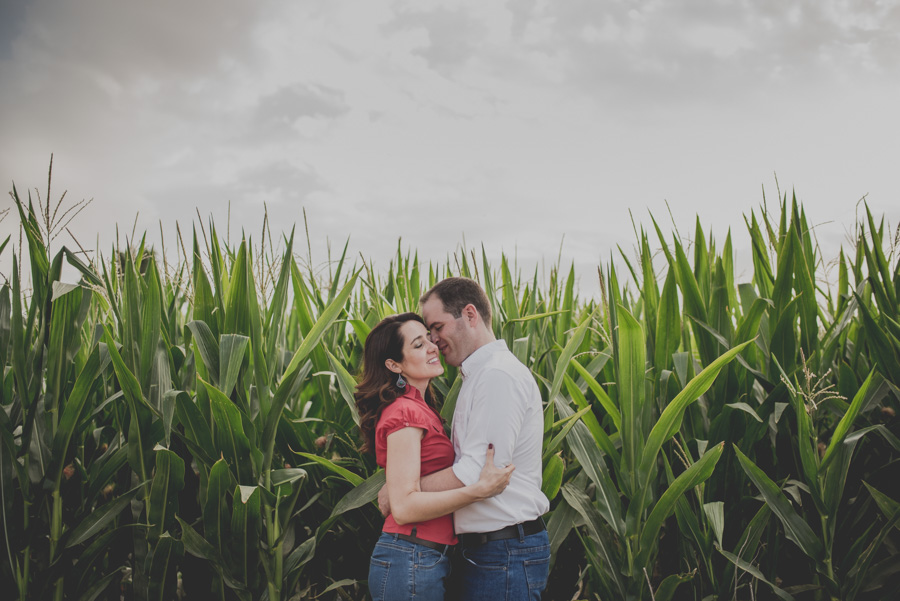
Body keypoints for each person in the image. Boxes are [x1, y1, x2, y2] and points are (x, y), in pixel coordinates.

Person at [382, 277, 551, 600]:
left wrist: (400, 491)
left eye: (437, 327)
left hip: (504, 552)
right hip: (491, 551)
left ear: (470, 315)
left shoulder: (497, 375)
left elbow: (477, 471)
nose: (433, 340)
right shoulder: (478, 376)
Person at [356, 312, 515, 601]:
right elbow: (404, 508)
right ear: (394, 365)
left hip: (421, 558)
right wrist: (478, 491)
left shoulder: (421, 409)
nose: (432, 346)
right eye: (418, 344)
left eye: (429, 338)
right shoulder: (406, 412)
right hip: (410, 558)